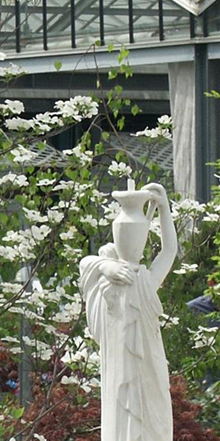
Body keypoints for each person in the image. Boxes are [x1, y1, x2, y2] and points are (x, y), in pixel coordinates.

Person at [79, 182, 176, 441]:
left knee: (157, 421)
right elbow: (86, 264)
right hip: (120, 374)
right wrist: (105, 267)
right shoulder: (108, 283)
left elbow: (169, 251)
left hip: (150, 369)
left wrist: (164, 210)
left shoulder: (143, 280)